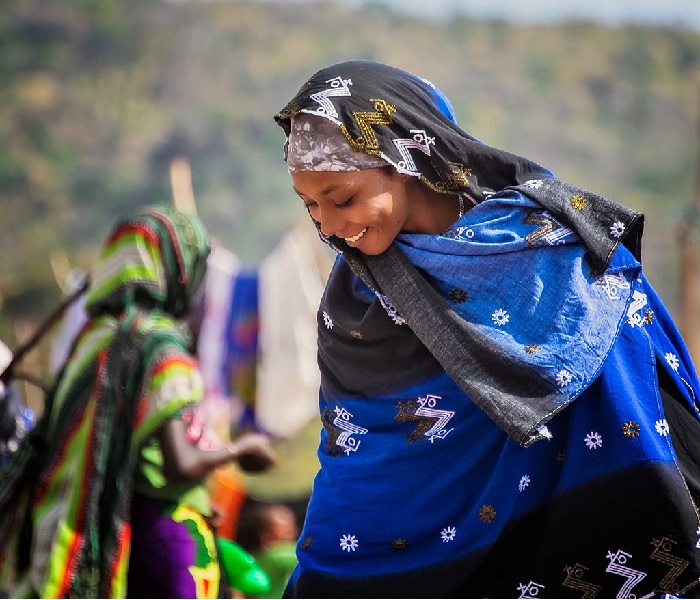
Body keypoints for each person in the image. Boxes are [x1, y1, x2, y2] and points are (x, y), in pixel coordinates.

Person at [272, 59, 700, 598]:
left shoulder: (550, 244)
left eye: (342, 199)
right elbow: (360, 462)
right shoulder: (355, 299)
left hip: (577, 539)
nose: (329, 227)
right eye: (311, 205)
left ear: (404, 158)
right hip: (409, 557)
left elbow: (641, 372)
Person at [0, 205, 276, 598]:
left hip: (117, 532)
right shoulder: (160, 346)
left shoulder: (94, 342)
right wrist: (242, 448)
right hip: (170, 536)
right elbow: (180, 463)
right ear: (180, 271)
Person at [236, 500, 299, 599]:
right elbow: (310, 554)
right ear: (266, 536)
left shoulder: (252, 558)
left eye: (293, 529)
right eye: (287, 531)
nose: (293, 535)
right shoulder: (275, 558)